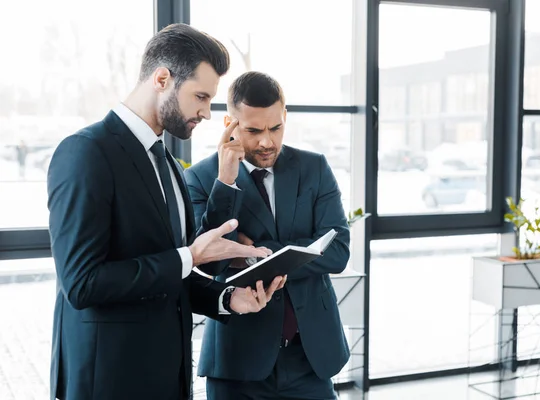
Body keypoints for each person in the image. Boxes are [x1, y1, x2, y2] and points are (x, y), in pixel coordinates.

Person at [47, 25, 285, 400]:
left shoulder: (170, 164)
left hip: (167, 379)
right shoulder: (85, 153)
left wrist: (228, 299)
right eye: (201, 97)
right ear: (162, 79)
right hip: (108, 382)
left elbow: (174, 272)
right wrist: (190, 256)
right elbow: (82, 283)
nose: (207, 113)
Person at [185, 71, 351, 400]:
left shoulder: (313, 168)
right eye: (254, 130)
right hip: (238, 362)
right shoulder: (202, 179)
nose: (267, 142)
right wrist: (226, 182)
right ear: (230, 125)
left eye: (275, 128)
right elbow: (207, 265)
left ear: (285, 116)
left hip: (310, 356)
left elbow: (338, 252)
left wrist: (258, 251)